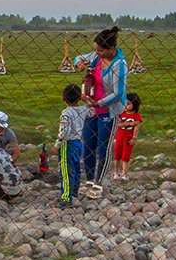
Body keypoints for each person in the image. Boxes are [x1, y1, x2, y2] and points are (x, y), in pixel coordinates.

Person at [73, 26, 129, 197]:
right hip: (91, 109)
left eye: (100, 50)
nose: (96, 53)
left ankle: (99, 182)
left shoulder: (119, 65)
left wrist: (100, 102)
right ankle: (89, 180)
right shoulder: (96, 57)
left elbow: (118, 92)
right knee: (88, 144)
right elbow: (79, 57)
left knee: (102, 146)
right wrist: (79, 64)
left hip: (108, 111)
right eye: (95, 50)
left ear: (111, 49)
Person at [53, 84, 91, 206]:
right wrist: (86, 101)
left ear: (63, 98)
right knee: (76, 169)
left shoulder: (66, 113)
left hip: (67, 144)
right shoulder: (83, 110)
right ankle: (74, 192)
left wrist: (57, 144)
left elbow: (64, 131)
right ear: (79, 98)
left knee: (65, 170)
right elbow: (92, 111)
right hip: (78, 143)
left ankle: (66, 198)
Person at [112, 92, 142, 180]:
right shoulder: (121, 113)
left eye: (128, 104)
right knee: (117, 156)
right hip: (119, 138)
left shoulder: (136, 115)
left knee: (126, 157)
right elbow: (118, 124)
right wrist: (130, 124)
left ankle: (124, 173)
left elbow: (136, 126)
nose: (125, 106)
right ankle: (116, 172)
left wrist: (134, 138)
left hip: (128, 139)